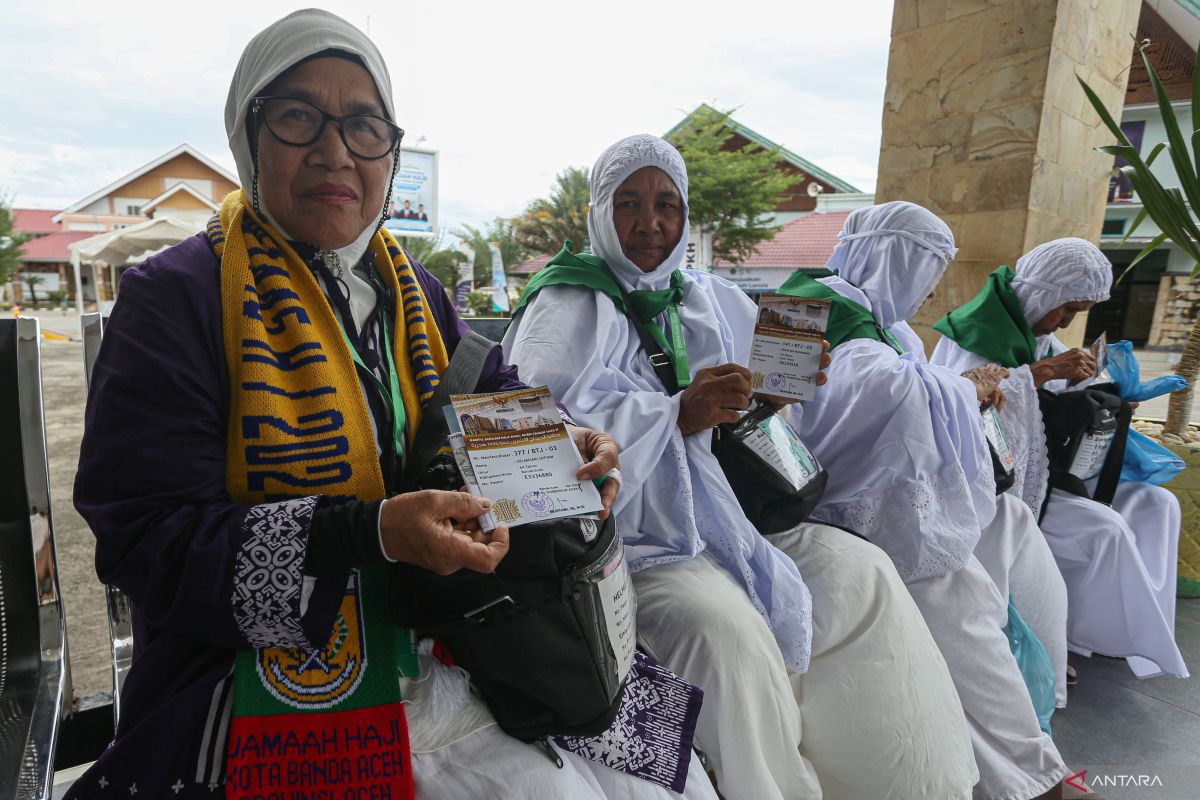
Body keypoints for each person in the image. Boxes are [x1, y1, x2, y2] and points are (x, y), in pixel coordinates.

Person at [69, 12, 717, 800]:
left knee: (668, 784)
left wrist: (564, 446)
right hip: (263, 679)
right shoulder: (176, 300)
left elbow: (501, 406)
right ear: (250, 136)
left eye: (364, 125)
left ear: (391, 152)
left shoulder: (423, 300)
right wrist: (368, 535)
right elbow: (146, 542)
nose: (336, 149)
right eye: (299, 116)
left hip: (455, 638)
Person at [503, 134, 980, 800]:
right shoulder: (563, 307)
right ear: (598, 212)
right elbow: (530, 457)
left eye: (667, 204)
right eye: (629, 203)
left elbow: (763, 409)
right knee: (724, 633)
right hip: (630, 543)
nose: (650, 223)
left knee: (862, 576)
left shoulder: (710, 297)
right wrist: (675, 414)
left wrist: (772, 395)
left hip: (732, 518)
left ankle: (903, 784)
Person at [778, 202, 1077, 800]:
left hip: (886, 492)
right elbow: (835, 411)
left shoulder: (886, 323)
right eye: (923, 269)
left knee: (994, 551)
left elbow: (907, 394)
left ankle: (1024, 744)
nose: (930, 289)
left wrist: (965, 396)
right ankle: (1033, 776)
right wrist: (963, 390)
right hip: (824, 499)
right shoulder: (797, 308)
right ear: (889, 257)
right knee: (958, 594)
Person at [931, 237, 1188, 680]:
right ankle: (1075, 634)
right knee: (1106, 530)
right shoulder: (976, 333)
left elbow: (1049, 401)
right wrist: (1040, 374)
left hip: (1054, 470)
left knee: (1156, 503)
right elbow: (957, 403)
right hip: (999, 485)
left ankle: (1137, 634)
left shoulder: (1038, 332)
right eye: (1066, 309)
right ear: (1044, 292)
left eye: (1076, 313)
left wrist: (1095, 393)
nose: (1064, 322)